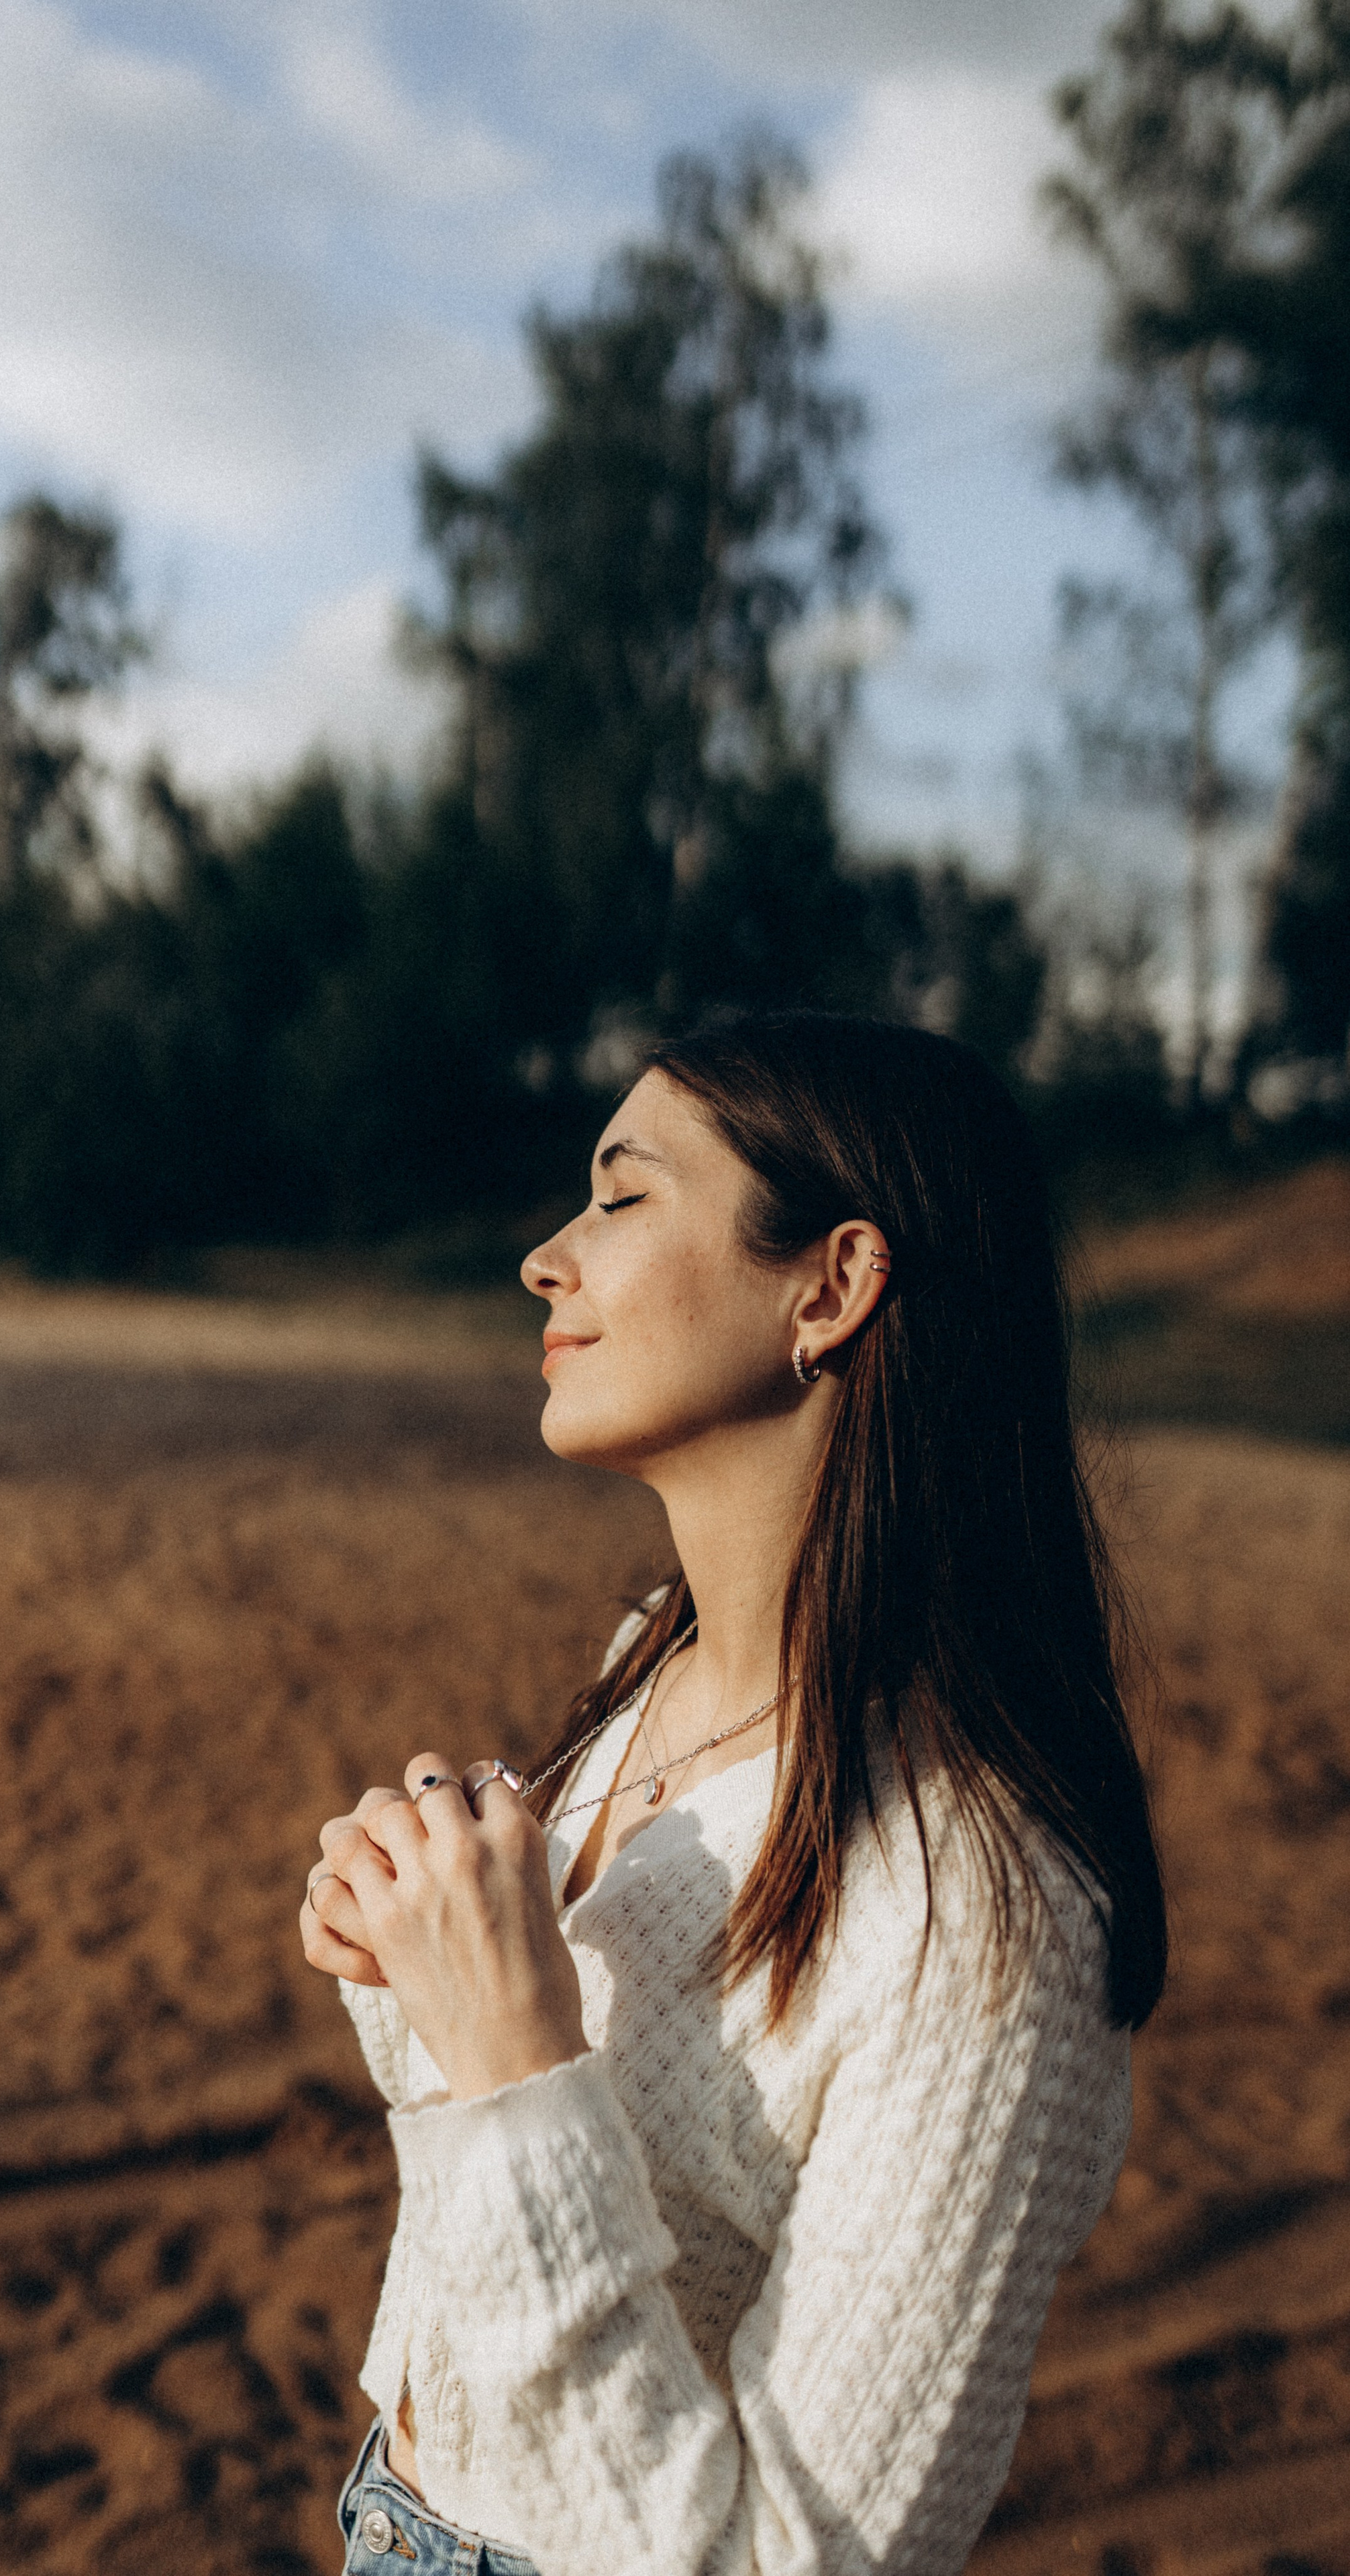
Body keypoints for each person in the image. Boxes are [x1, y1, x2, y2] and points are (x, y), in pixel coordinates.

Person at [299, 1011, 1166, 2576]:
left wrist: (505, 2050)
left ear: (828, 1287)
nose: (545, 1260)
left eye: (620, 1197)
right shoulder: (652, 1664)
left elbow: (790, 2559)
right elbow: (533, 2168)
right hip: (392, 2523)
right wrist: (423, 1951)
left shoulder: (984, 1919)